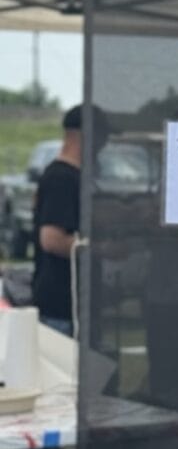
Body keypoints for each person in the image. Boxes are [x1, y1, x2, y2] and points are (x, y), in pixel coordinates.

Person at [31, 103, 108, 335]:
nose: (104, 144)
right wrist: (101, 249)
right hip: (61, 307)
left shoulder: (72, 177)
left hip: (73, 306)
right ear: (86, 135)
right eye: (103, 136)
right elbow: (52, 239)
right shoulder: (61, 179)